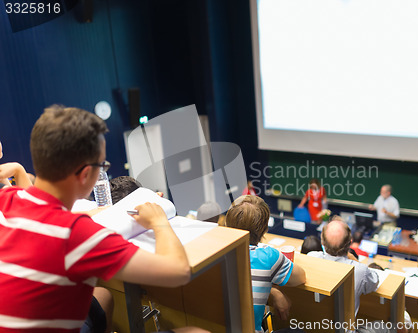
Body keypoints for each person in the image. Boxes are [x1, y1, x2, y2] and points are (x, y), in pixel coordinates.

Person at [0, 106, 207, 333]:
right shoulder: (77, 235)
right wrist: (159, 222)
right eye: (102, 166)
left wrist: (19, 170)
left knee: (103, 297)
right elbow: (178, 271)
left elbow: (38, 213)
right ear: (86, 174)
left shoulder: (6, 199)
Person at [224, 195, 306, 333]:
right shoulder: (268, 256)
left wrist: (272, 292)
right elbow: (301, 277)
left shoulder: (216, 252)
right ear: (265, 229)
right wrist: (275, 290)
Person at [307, 218, 378, 316]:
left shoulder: (311, 257)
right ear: (350, 242)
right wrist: (355, 260)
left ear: (322, 242)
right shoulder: (359, 269)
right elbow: (374, 283)